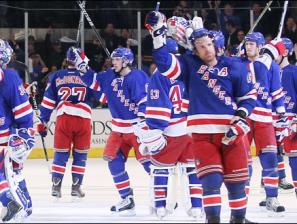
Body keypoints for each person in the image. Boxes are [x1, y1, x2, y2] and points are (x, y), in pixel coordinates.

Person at [144, 11, 260, 223]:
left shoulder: (234, 66)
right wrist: (158, 35)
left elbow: (249, 97)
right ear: (194, 49)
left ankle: (238, 219)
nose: (207, 49)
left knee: (236, 182)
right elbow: (163, 63)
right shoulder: (189, 65)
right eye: (201, 46)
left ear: (216, 45)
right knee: (211, 180)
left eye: (209, 44)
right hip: (202, 136)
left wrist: (241, 117)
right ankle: (212, 219)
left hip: (231, 134)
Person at [134, 38, 203, 219]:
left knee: (160, 169)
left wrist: (154, 130)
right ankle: (196, 207)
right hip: (192, 129)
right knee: (192, 169)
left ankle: (161, 206)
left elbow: (159, 109)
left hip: (171, 132)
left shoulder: (160, 75)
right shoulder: (190, 69)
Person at [80, 47, 151, 216]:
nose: (113, 63)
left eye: (117, 60)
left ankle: (163, 194)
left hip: (137, 128)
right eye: (113, 59)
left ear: (126, 61)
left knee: (149, 163)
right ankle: (127, 198)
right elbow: (94, 81)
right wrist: (82, 66)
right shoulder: (109, 75)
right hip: (118, 129)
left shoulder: (138, 76)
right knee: (113, 161)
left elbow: (144, 100)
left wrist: (142, 121)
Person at [37, 46, 100, 200]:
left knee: (61, 153)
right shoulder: (88, 76)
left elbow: (47, 103)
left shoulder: (56, 76)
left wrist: (42, 121)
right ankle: (76, 187)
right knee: (80, 155)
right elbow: (99, 96)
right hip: (83, 119)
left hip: (64, 117)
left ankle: (56, 187)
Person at [242, 32, 287, 214]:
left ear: (260, 46)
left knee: (270, 159)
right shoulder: (239, 63)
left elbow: (276, 93)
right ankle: (241, 200)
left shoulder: (271, 66)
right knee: (242, 160)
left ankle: (271, 198)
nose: (248, 47)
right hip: (244, 116)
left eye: (252, 44)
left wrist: (282, 117)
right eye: (246, 44)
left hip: (264, 117)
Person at [0, 39, 35, 222]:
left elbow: (24, 116)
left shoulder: (10, 79)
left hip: (7, 139)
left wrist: (25, 138)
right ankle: (17, 204)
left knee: (15, 173)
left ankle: (22, 205)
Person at [275, 37, 297, 197]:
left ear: (285, 52)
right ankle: (274, 184)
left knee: (294, 155)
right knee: (271, 152)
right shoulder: (271, 71)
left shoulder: (294, 72)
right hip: (273, 118)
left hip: (291, 119)